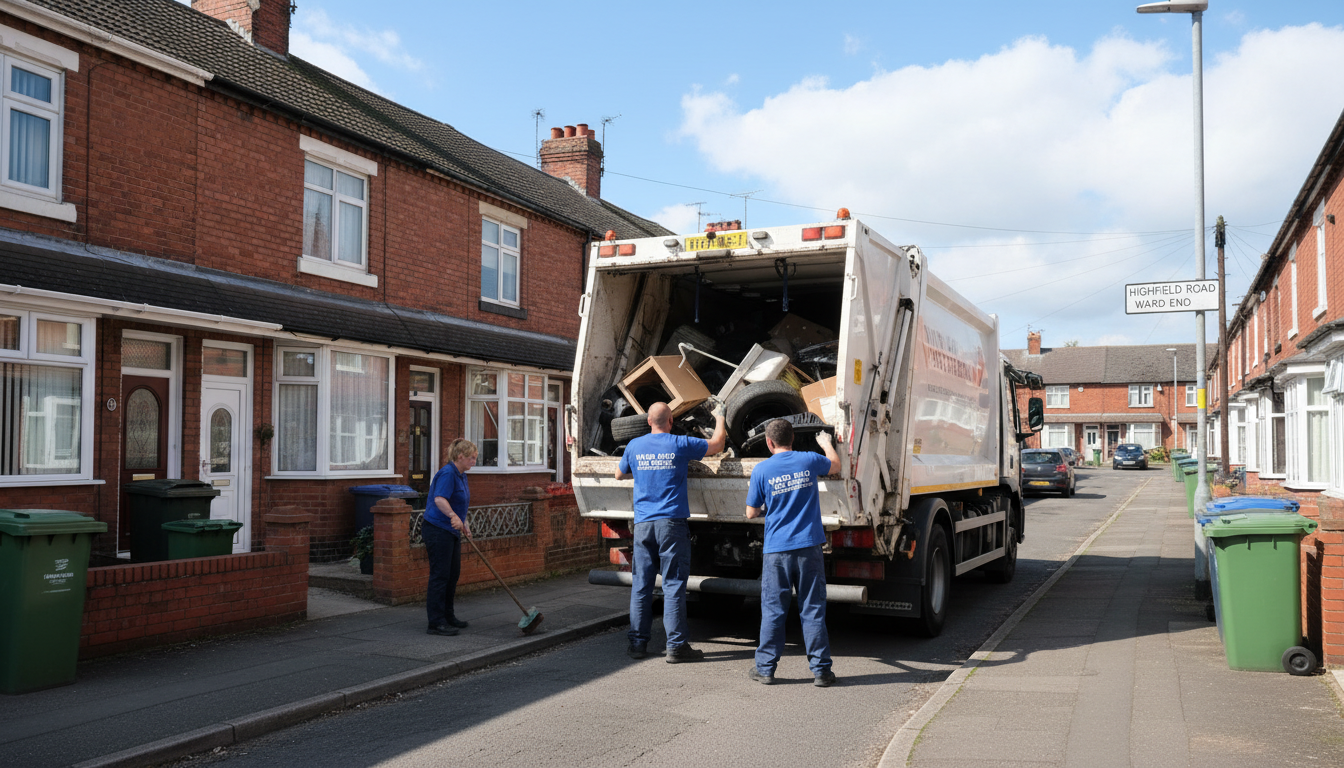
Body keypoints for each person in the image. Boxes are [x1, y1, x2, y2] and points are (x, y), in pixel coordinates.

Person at [615, 400, 726, 662]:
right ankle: (676, 646)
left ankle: (638, 645)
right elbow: (718, 444)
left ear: (648, 422)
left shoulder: (634, 446)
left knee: (641, 586)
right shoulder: (679, 443)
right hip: (671, 525)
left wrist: (643, 472)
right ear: (671, 421)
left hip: (643, 525)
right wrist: (720, 416)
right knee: (673, 585)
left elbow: (620, 475)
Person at [744, 419, 841, 687]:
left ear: (768, 442)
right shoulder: (809, 460)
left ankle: (765, 669)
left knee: (774, 609)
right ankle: (821, 671)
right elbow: (835, 465)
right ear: (793, 439)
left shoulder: (762, 470)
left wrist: (769, 509)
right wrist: (826, 444)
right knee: (812, 608)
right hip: (809, 546)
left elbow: (751, 512)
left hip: (777, 550)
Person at [423, 438, 477, 636]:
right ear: (460, 456)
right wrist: (453, 516)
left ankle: (448, 616)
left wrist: (465, 524)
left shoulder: (461, 475)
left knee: (452, 575)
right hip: (437, 529)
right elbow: (440, 499)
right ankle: (435, 623)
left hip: (451, 530)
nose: (474, 461)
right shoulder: (447, 473)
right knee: (440, 575)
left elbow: (459, 503)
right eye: (471, 458)